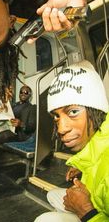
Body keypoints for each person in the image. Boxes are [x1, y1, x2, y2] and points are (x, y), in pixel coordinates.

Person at [34, 60, 109, 222]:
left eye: (73, 111)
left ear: (97, 110)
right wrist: (83, 167)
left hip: (94, 213)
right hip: (97, 202)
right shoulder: (98, 142)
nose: (61, 129)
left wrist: (86, 211)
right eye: (56, 116)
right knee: (52, 194)